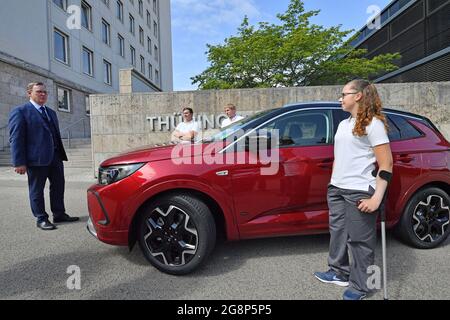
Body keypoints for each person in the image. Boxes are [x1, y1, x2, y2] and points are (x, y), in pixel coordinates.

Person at [314, 79, 393, 300]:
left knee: (360, 242)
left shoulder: (373, 124)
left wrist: (377, 198)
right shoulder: (344, 124)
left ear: (358, 95)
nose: (340, 98)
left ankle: (361, 286)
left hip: (359, 190)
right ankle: (339, 271)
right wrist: (333, 183)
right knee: (338, 233)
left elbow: (386, 164)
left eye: (344, 94)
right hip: (337, 189)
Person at [8, 82, 79, 231]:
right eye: (39, 91)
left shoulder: (51, 112)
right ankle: (41, 218)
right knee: (36, 190)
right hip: (36, 160)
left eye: (45, 92)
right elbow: (16, 138)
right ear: (29, 93)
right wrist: (19, 162)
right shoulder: (20, 111)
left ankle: (59, 214)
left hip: (55, 157)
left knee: (58, 187)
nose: (43, 94)